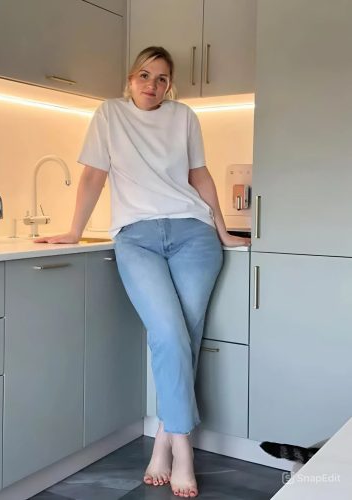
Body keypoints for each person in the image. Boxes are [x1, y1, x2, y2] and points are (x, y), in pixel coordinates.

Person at [34, 46, 250, 498]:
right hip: (137, 237)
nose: (153, 85)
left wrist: (222, 230)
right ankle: (183, 447)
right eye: (145, 75)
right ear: (130, 78)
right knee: (168, 333)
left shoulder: (184, 116)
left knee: (185, 335)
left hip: (194, 234)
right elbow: (93, 176)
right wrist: (74, 231)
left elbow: (200, 176)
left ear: (171, 85)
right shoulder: (109, 115)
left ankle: (165, 442)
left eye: (162, 78)